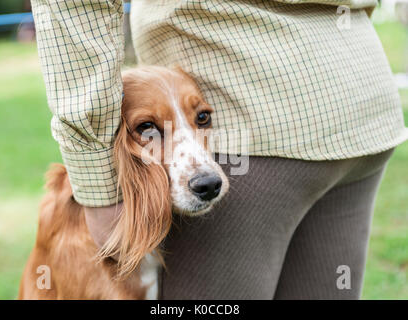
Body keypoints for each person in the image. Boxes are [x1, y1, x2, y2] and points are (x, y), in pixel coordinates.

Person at [31, 0, 407, 299]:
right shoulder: (66, 229)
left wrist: (97, 183)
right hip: (365, 110)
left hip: (266, 137)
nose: (202, 171)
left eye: (202, 118)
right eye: (148, 128)